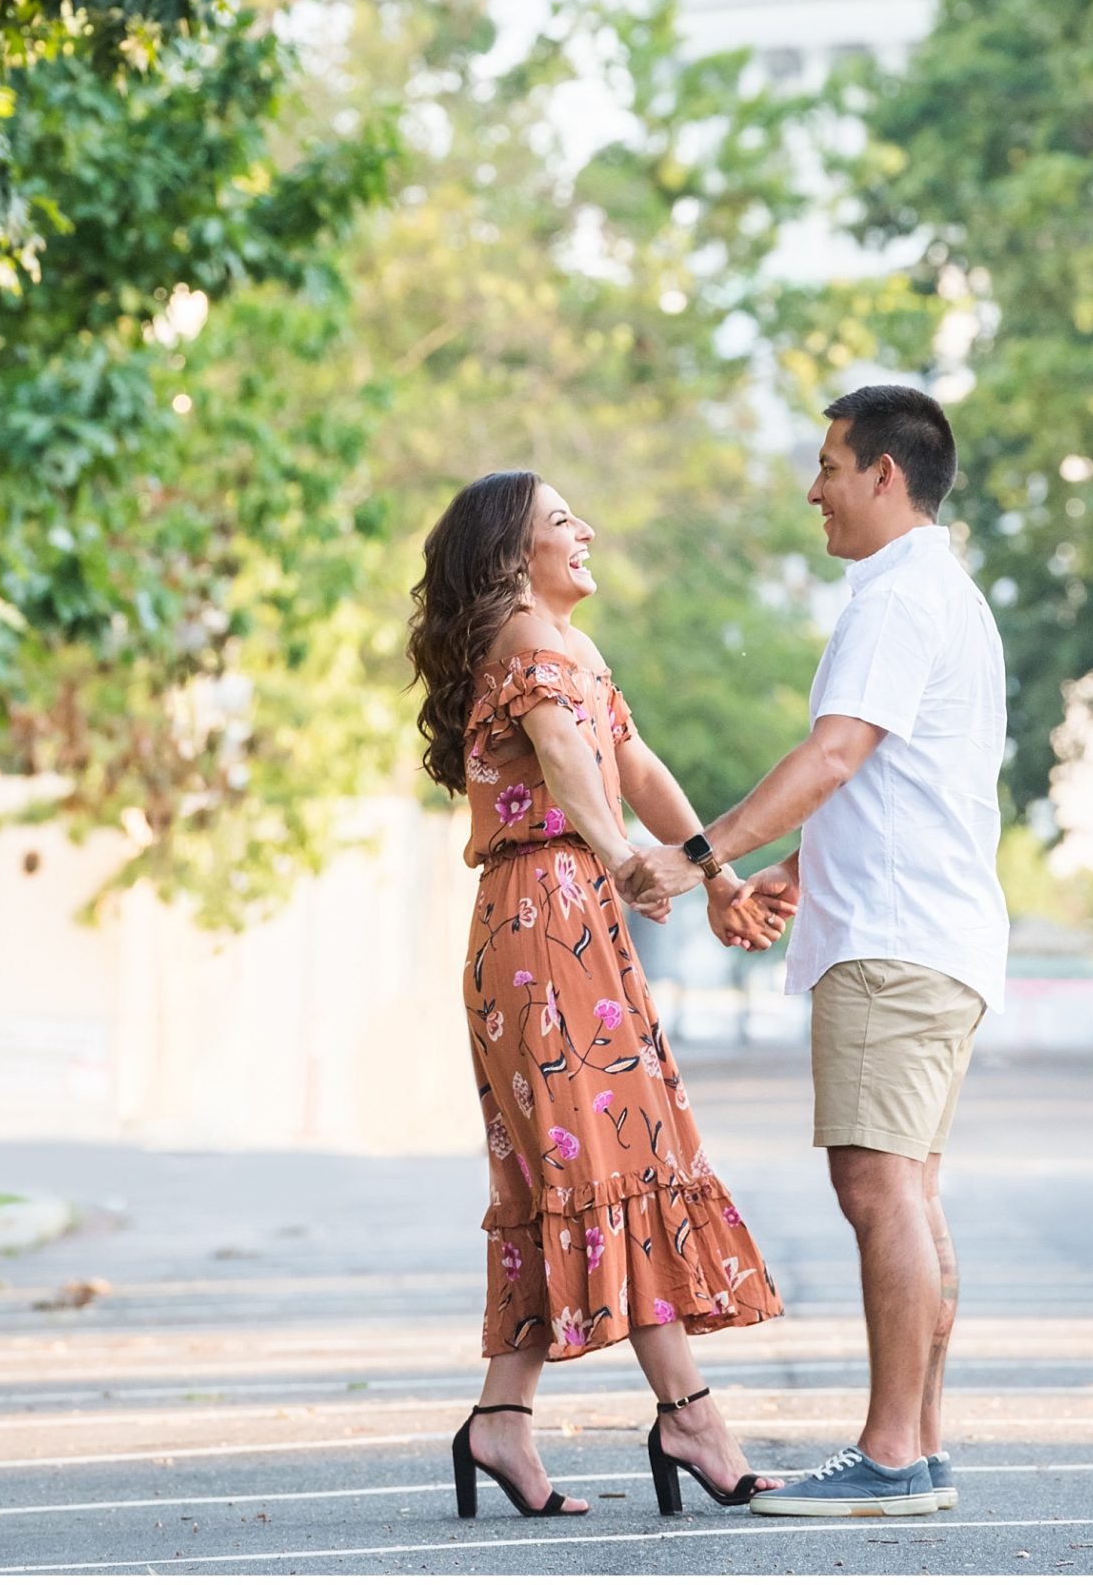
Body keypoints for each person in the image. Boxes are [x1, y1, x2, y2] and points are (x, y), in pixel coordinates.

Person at [631, 384, 1009, 1521]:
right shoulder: (944, 594)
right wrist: (790, 875)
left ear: (884, 474)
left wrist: (696, 851)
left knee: (877, 1187)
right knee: (909, 1193)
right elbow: (897, 779)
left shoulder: (896, 599)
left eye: (830, 466)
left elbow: (837, 752)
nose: (815, 490)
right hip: (931, 930)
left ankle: (891, 1453)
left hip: (898, 945)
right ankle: (921, 1448)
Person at [408, 468, 787, 1523]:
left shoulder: (569, 649)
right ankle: (691, 1414)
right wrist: (623, 857)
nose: (588, 532)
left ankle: (500, 1422)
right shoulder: (523, 647)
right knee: (611, 1160)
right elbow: (572, 761)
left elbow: (632, 756)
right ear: (510, 557)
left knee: (575, 1170)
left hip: (570, 919)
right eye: (561, 521)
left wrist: (711, 869)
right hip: (543, 920)